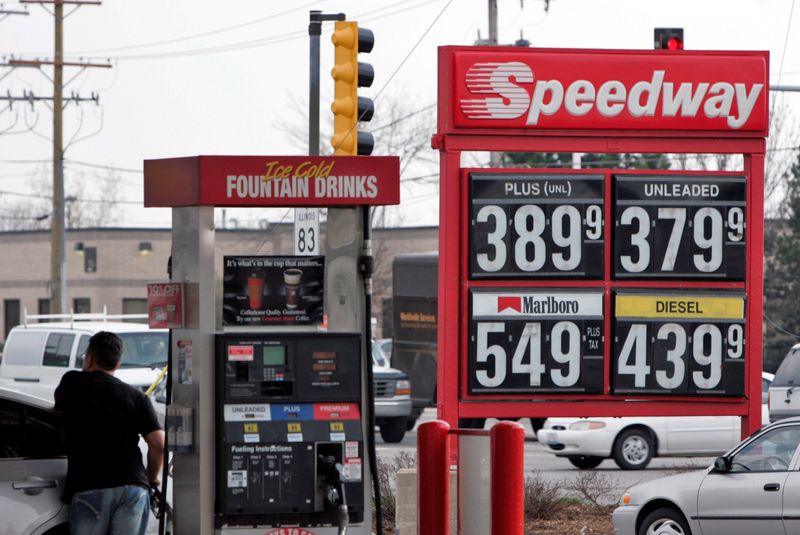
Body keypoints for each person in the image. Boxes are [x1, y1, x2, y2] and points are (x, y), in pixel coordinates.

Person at [55, 331, 165, 535]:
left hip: (90, 486)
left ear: (89, 359)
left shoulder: (72, 383)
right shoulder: (136, 397)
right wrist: (153, 478)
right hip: (133, 488)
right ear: (118, 363)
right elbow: (158, 443)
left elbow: (58, 411)